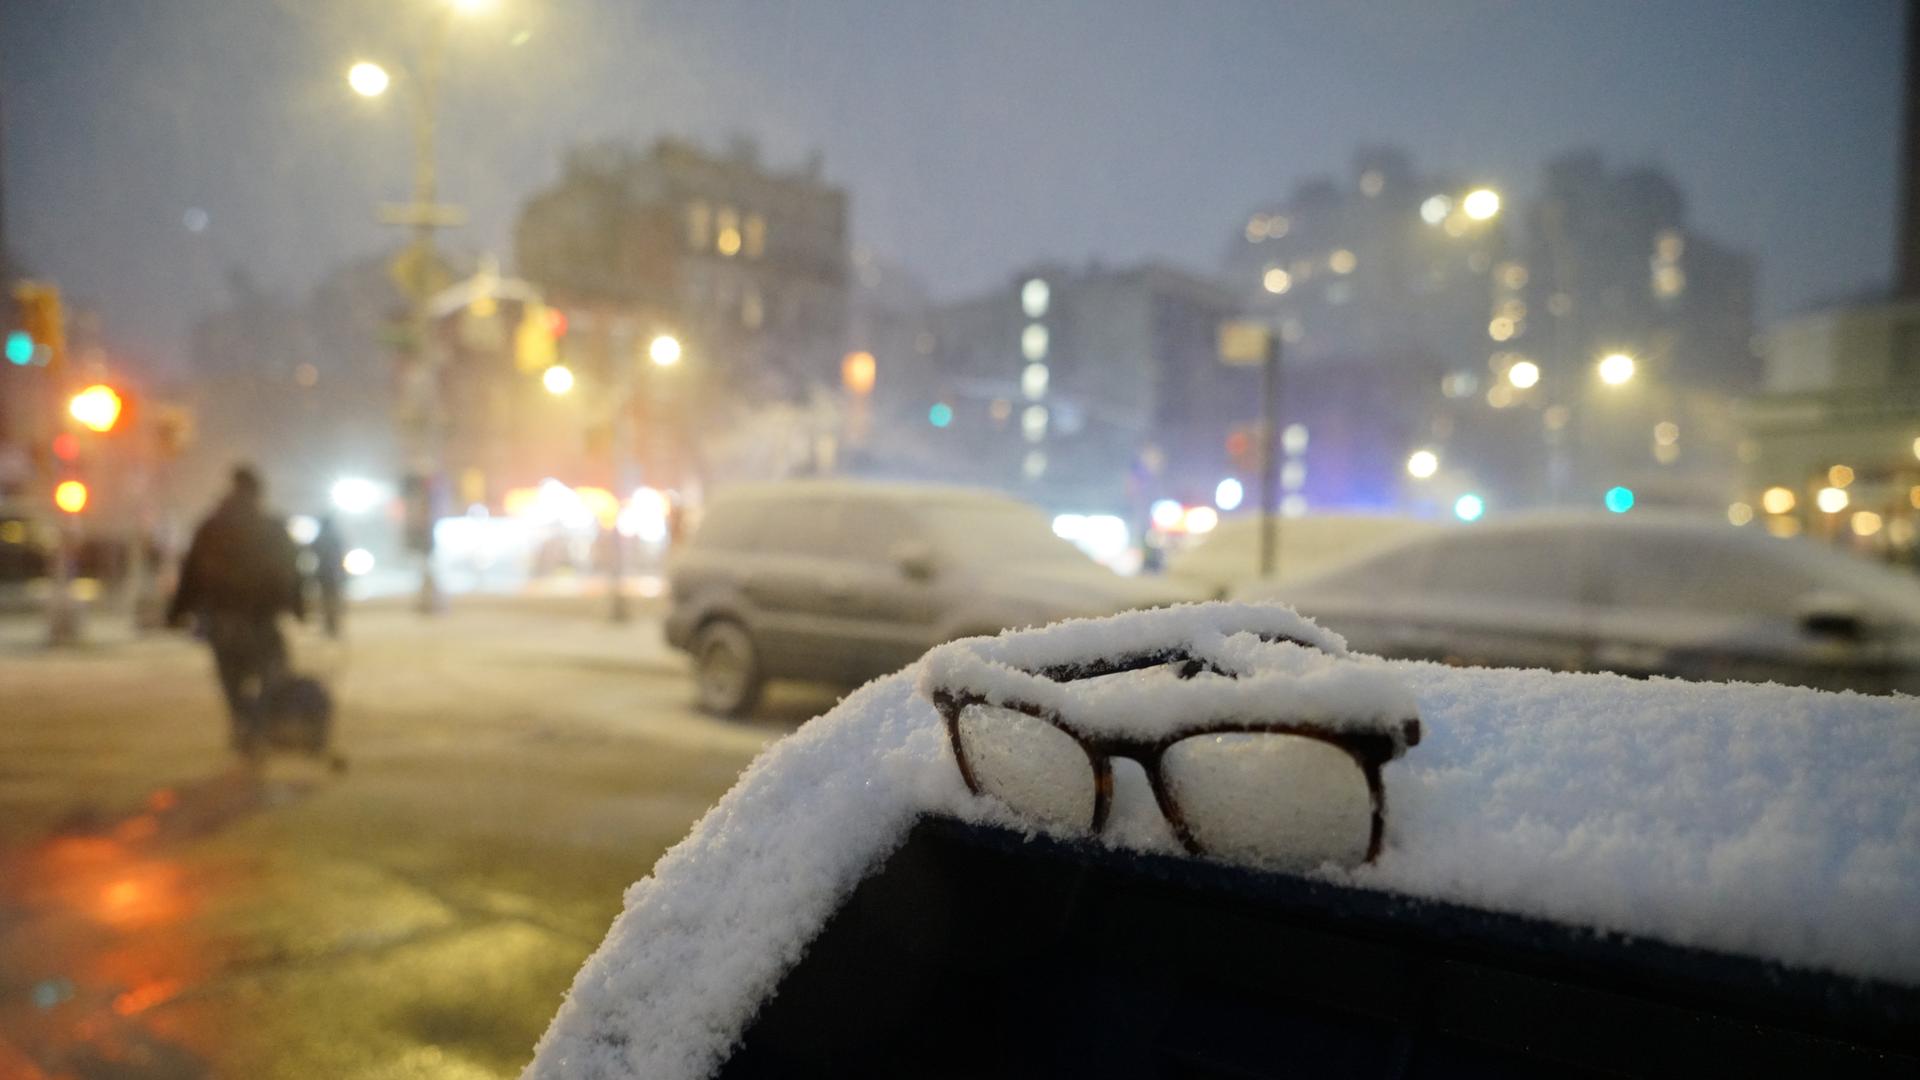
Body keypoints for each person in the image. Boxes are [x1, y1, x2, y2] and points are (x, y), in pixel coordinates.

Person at [167, 465, 305, 752]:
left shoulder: (211, 527)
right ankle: (257, 722)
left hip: (222, 617)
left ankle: (242, 720)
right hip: (260, 617)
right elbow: (289, 571)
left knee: (230, 676)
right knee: (271, 671)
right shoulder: (270, 526)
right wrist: (297, 606)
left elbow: (191, 572)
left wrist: (177, 611)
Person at [309, 514, 347, 639]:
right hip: (333, 572)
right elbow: (341, 552)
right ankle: (333, 625)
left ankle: (329, 625)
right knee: (333, 599)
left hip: (324, 572)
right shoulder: (335, 537)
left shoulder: (320, 537)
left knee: (326, 600)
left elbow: (312, 550)